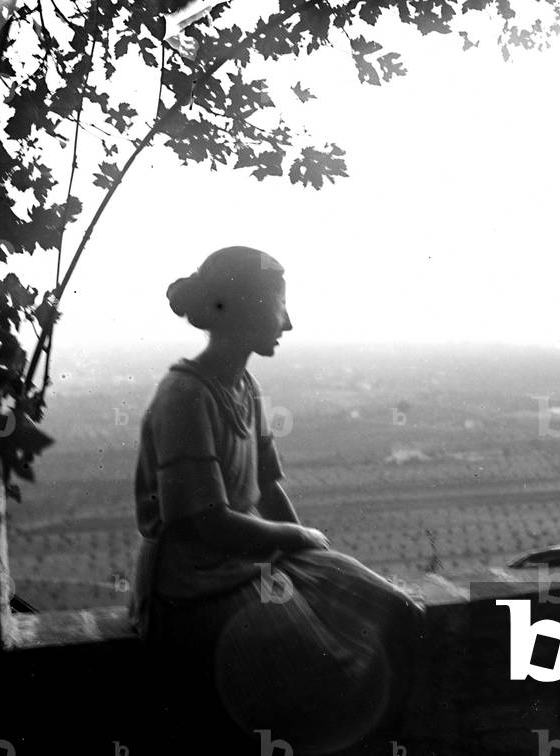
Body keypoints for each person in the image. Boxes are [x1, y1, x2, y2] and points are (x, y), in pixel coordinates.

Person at [129, 246, 423, 755]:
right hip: (195, 587)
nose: (287, 322)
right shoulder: (185, 395)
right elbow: (206, 522)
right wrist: (298, 538)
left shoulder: (244, 386)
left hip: (249, 563)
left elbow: (267, 489)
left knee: (400, 616)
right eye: (277, 305)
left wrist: (314, 555)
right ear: (239, 306)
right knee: (322, 671)